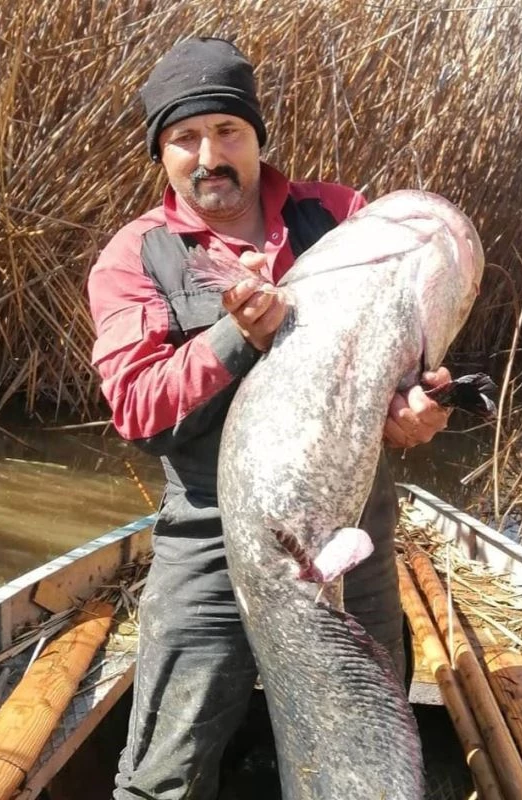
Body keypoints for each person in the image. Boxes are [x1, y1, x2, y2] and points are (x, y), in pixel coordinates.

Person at [87, 36, 452, 800]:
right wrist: (235, 336)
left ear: (256, 136)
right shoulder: (139, 256)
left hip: (353, 535)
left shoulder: (346, 220)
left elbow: (403, 366)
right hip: (212, 540)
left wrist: (414, 411)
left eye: (227, 130)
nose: (208, 154)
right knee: (166, 773)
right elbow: (138, 408)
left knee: (366, 763)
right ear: (161, 152)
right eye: (184, 138)